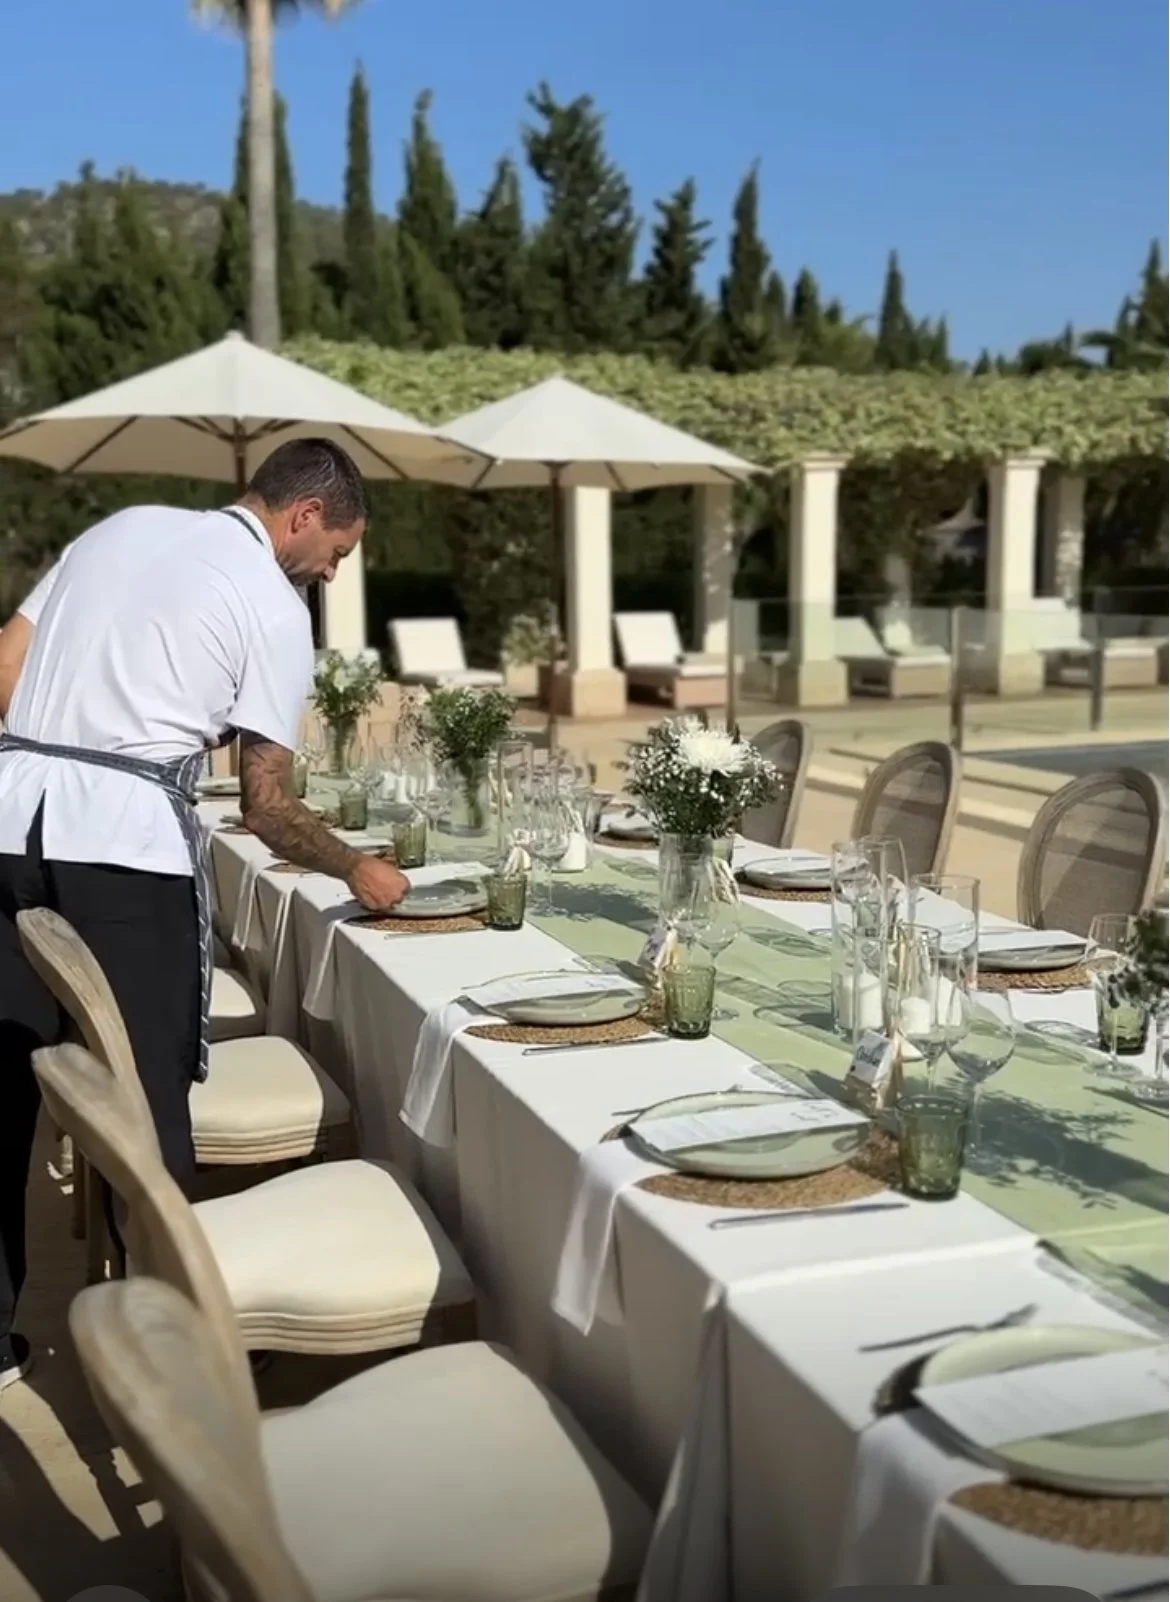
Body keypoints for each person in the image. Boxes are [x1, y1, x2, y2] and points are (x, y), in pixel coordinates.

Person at [0, 437, 409, 1391]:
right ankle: (170, 1353)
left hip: (8, 821)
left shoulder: (119, 529)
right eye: (338, 553)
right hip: (124, 856)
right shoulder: (271, 602)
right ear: (305, 515)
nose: (331, 573)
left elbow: (6, 669)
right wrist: (358, 867)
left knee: (2, 1088)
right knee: (147, 1111)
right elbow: (267, 806)